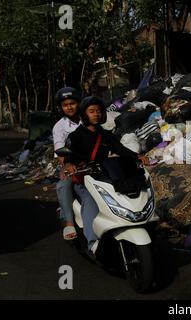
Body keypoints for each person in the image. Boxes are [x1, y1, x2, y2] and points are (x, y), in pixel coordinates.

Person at [63, 96, 149, 254]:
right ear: (84, 114)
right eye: (91, 111)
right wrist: (70, 164)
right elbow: (67, 156)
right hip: (84, 179)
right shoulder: (75, 136)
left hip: (104, 176)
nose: (96, 114)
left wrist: (137, 157)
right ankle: (92, 241)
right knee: (91, 203)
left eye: (99, 111)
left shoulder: (106, 135)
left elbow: (120, 149)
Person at [52, 87, 82, 241]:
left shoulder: (89, 117)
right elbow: (59, 150)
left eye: (72, 103)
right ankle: (69, 222)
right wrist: (67, 166)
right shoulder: (59, 126)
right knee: (63, 185)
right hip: (71, 165)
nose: (69, 107)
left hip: (93, 162)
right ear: (61, 108)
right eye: (65, 105)